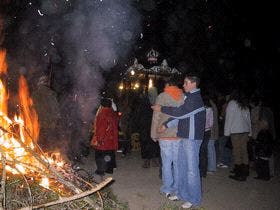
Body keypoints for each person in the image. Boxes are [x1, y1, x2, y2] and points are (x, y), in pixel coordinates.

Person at [152, 74, 206, 209]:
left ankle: (194, 199)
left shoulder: (196, 99)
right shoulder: (188, 97)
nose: (184, 85)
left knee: (191, 170)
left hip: (192, 138)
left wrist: (162, 108)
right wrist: (167, 124)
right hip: (183, 137)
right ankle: (182, 194)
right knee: (181, 167)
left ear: (194, 84)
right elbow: (182, 117)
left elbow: (181, 113)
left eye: (186, 83)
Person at [150, 77, 184, 198]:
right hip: (180, 134)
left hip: (164, 134)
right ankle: (177, 188)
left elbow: (156, 116)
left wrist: (153, 133)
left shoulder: (162, 96)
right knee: (177, 163)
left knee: (166, 163)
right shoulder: (182, 96)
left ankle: (167, 189)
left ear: (168, 84)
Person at [224, 90, 251, 181]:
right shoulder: (245, 105)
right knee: (244, 151)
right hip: (245, 131)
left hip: (236, 131)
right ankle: (245, 171)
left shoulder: (232, 103)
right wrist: (250, 132)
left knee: (237, 152)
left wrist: (226, 132)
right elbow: (248, 120)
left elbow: (229, 119)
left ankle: (240, 174)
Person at [32, 75, 61, 151]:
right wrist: (57, 118)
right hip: (49, 122)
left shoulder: (34, 94)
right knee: (50, 141)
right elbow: (55, 108)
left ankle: (39, 153)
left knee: (40, 140)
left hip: (38, 123)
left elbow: (32, 108)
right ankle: (48, 154)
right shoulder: (50, 93)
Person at [91, 98, 119, 176]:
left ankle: (101, 170)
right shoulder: (112, 112)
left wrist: (100, 139)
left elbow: (101, 128)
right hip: (111, 138)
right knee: (109, 154)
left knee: (100, 155)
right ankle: (109, 169)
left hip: (104, 139)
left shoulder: (102, 113)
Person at [199, 94, 213, 177]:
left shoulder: (200, 109)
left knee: (199, 151)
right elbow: (211, 123)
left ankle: (199, 170)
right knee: (204, 151)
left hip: (200, 132)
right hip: (207, 131)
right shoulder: (210, 109)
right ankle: (203, 172)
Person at [207, 96, 219, 173]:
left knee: (210, 149)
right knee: (211, 149)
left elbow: (210, 123)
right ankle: (211, 166)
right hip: (213, 130)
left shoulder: (210, 108)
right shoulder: (214, 106)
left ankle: (212, 168)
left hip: (211, 131)